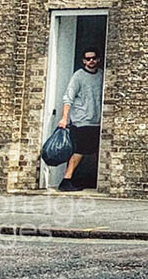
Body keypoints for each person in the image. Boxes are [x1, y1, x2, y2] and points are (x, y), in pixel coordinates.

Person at [57, 49, 103, 191]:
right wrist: (64, 118)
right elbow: (68, 97)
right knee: (80, 151)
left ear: (98, 59)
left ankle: (98, 180)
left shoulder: (102, 75)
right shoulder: (78, 76)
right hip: (81, 120)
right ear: (83, 61)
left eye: (94, 58)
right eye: (88, 59)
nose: (91, 61)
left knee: (98, 150)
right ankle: (66, 180)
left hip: (97, 120)